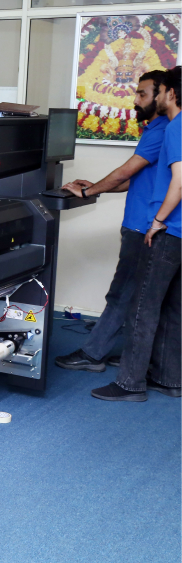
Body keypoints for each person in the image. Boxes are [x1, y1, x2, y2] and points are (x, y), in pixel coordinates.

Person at [55, 70, 168, 372]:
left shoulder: (161, 131)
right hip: (143, 224)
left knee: (122, 292)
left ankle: (93, 355)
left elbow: (124, 172)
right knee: (138, 295)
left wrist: (89, 191)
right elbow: (133, 180)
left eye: (142, 94)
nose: (135, 100)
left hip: (143, 227)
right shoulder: (159, 129)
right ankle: (139, 356)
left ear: (162, 95)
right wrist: (95, 187)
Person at [92, 65, 181, 401]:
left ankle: (130, 384)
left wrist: (158, 220)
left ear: (170, 93)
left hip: (167, 230)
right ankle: (169, 379)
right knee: (173, 308)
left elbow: (179, 181)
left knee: (143, 307)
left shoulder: (175, 126)